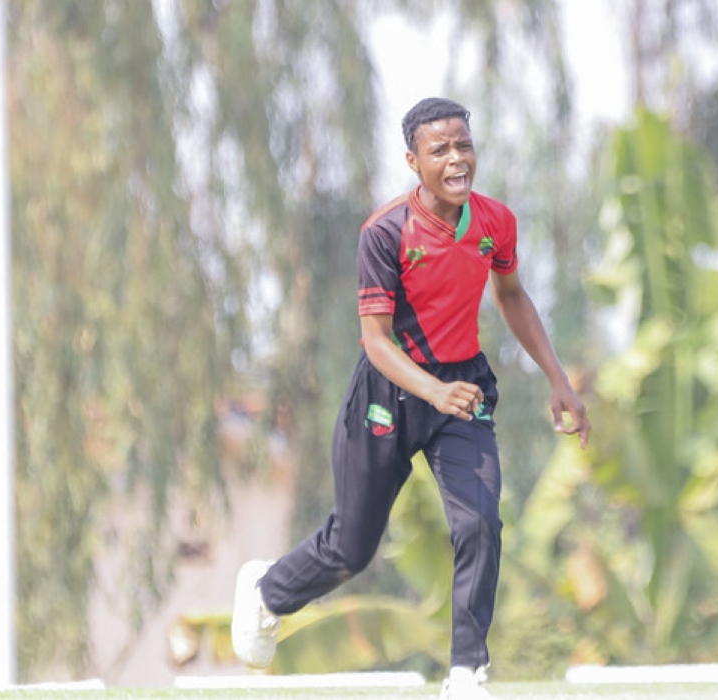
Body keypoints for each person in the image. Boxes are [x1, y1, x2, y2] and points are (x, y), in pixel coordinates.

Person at [231, 96, 591, 700]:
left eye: (464, 145)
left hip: (464, 388)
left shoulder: (496, 221)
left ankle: (466, 670)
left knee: (480, 523)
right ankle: (269, 593)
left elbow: (511, 296)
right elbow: (374, 341)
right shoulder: (385, 232)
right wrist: (432, 390)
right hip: (390, 393)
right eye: (440, 149)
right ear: (413, 160)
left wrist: (558, 379)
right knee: (352, 546)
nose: (456, 159)